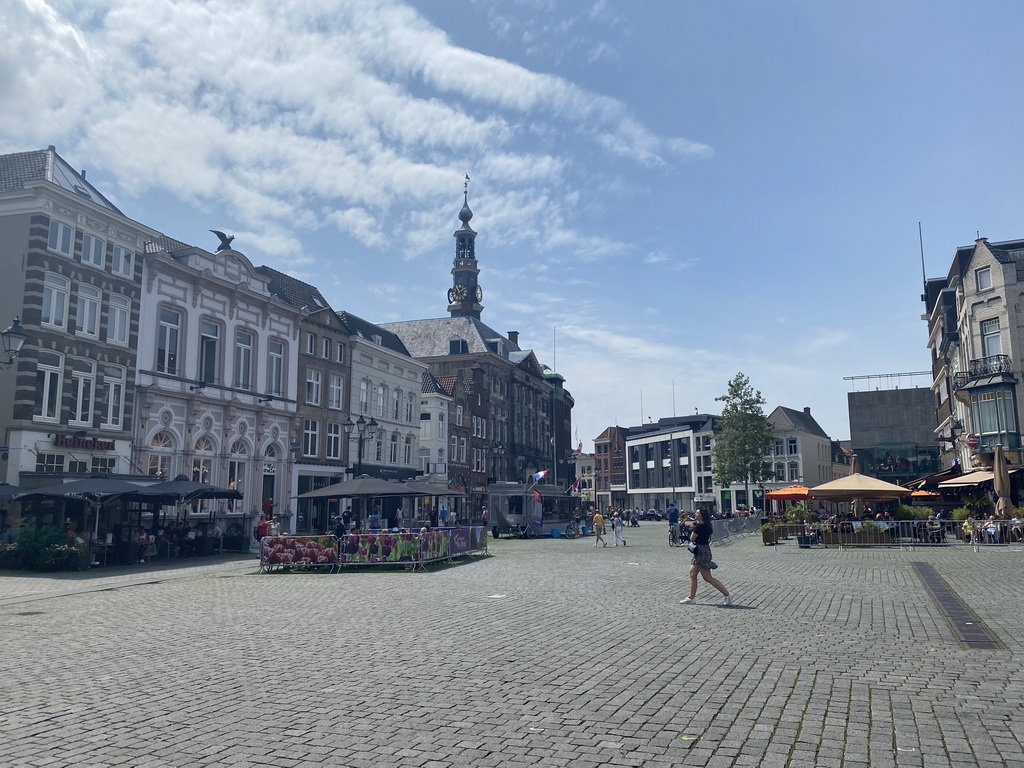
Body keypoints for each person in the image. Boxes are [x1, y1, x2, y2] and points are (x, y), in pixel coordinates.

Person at [680, 508, 732, 606]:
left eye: (697, 513)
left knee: (707, 577)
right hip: (702, 550)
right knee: (692, 574)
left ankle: (727, 594)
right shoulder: (706, 525)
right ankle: (691, 597)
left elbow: (692, 538)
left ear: (702, 515)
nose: (695, 514)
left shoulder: (700, 526)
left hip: (701, 552)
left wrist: (691, 529)